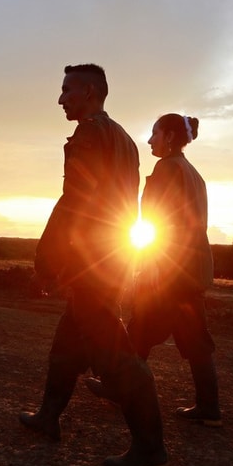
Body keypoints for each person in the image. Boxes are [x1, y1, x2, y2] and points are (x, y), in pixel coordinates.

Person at [18, 64, 168, 466]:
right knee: (69, 342)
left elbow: (74, 202)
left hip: (93, 262)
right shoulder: (124, 139)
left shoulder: (89, 135)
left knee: (116, 355)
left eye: (67, 90)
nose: (60, 99)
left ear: (88, 92)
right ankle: (48, 416)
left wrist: (46, 260)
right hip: (115, 255)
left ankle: (149, 445)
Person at [86, 113, 222, 427]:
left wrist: (154, 265)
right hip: (192, 269)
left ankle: (120, 389)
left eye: (155, 134)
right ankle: (209, 406)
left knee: (140, 330)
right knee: (192, 339)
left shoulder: (167, 169)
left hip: (170, 269)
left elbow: (163, 221)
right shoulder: (193, 173)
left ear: (170, 137)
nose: (149, 140)